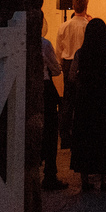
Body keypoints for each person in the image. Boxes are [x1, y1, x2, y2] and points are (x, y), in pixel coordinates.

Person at [69, 18, 106, 191]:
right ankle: (104, 180)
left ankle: (85, 180)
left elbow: (72, 76)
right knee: (103, 137)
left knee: (84, 136)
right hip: (103, 100)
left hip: (85, 100)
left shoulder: (81, 54)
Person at [55, 0, 93, 146]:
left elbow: (59, 50)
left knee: (68, 101)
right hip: (84, 64)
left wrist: (60, 64)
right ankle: (81, 135)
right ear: (86, 7)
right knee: (83, 100)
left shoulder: (64, 26)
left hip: (68, 63)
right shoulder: (88, 25)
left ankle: (65, 137)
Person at [40, 14, 69, 191]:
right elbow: (56, 69)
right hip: (45, 88)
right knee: (50, 133)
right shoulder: (44, 44)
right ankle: (50, 174)